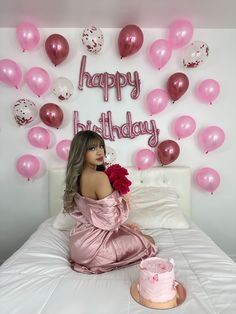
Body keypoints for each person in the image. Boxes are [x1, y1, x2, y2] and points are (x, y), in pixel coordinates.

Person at [63, 130, 158, 274]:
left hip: (79, 244)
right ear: (81, 152)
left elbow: (91, 213)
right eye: (92, 148)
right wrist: (122, 198)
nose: (100, 151)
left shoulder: (76, 177)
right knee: (149, 242)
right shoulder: (100, 177)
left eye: (101, 146)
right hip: (95, 249)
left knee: (134, 234)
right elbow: (111, 222)